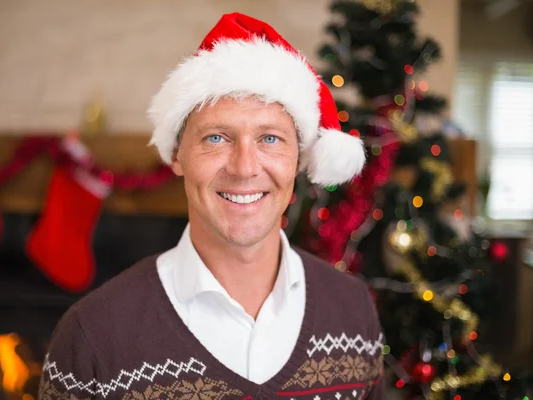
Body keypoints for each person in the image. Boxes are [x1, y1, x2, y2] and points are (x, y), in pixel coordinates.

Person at [38, 12, 384, 400]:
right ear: (176, 155)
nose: (244, 168)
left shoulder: (354, 311)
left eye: (270, 139)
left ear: (298, 160)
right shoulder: (93, 337)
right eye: (217, 138)